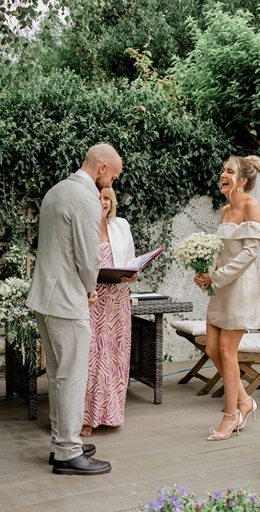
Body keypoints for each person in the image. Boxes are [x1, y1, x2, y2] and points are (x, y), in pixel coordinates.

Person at [26, 143, 122, 475]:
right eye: (113, 177)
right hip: (66, 302)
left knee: (58, 374)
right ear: (103, 168)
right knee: (73, 375)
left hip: (45, 298)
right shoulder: (86, 199)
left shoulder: (57, 190)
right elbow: (88, 257)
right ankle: (68, 452)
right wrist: (89, 289)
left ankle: (60, 443)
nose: (111, 185)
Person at [194, 155, 260, 440]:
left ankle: (230, 416)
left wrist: (218, 276)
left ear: (244, 180)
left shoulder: (252, 206)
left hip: (241, 288)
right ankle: (246, 401)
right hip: (220, 287)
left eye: (229, 171)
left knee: (227, 351)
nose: (222, 174)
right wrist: (206, 274)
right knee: (212, 348)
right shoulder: (225, 211)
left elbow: (251, 253)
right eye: (223, 170)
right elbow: (220, 251)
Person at [81, 187, 138, 437]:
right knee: (90, 358)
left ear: (112, 202)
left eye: (106, 198)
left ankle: (111, 415)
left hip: (117, 301)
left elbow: (132, 262)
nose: (102, 202)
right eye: (97, 198)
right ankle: (84, 418)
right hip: (90, 300)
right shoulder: (82, 226)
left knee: (114, 357)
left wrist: (132, 274)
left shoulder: (122, 225)